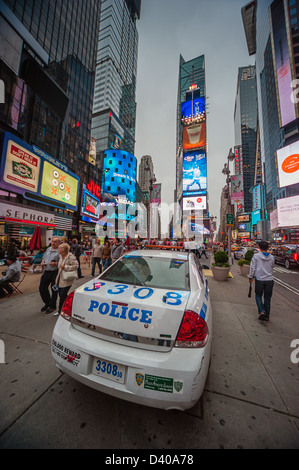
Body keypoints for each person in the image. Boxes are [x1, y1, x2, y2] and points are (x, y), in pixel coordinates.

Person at [249, 241, 275, 322]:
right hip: (269, 280)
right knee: (267, 298)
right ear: (267, 248)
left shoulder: (256, 256)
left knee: (258, 296)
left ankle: (262, 311)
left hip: (259, 279)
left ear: (259, 247)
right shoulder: (272, 257)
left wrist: (250, 276)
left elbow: (252, 267)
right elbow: (272, 267)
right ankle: (267, 316)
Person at [53, 243, 78, 316]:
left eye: (59, 248)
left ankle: (61, 310)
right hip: (60, 278)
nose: (58, 249)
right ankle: (69, 305)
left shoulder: (70, 257)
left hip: (67, 279)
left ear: (63, 250)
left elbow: (76, 266)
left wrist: (65, 267)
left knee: (62, 295)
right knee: (62, 295)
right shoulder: (61, 256)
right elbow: (60, 265)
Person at [39, 237, 60, 314]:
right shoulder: (48, 249)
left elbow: (62, 261)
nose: (53, 243)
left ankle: (52, 306)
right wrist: (42, 262)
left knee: (54, 289)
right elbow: (44, 257)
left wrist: (56, 263)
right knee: (42, 288)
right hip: (46, 271)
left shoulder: (60, 250)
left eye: (55, 242)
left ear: (58, 243)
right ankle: (48, 303)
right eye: (52, 241)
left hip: (55, 271)